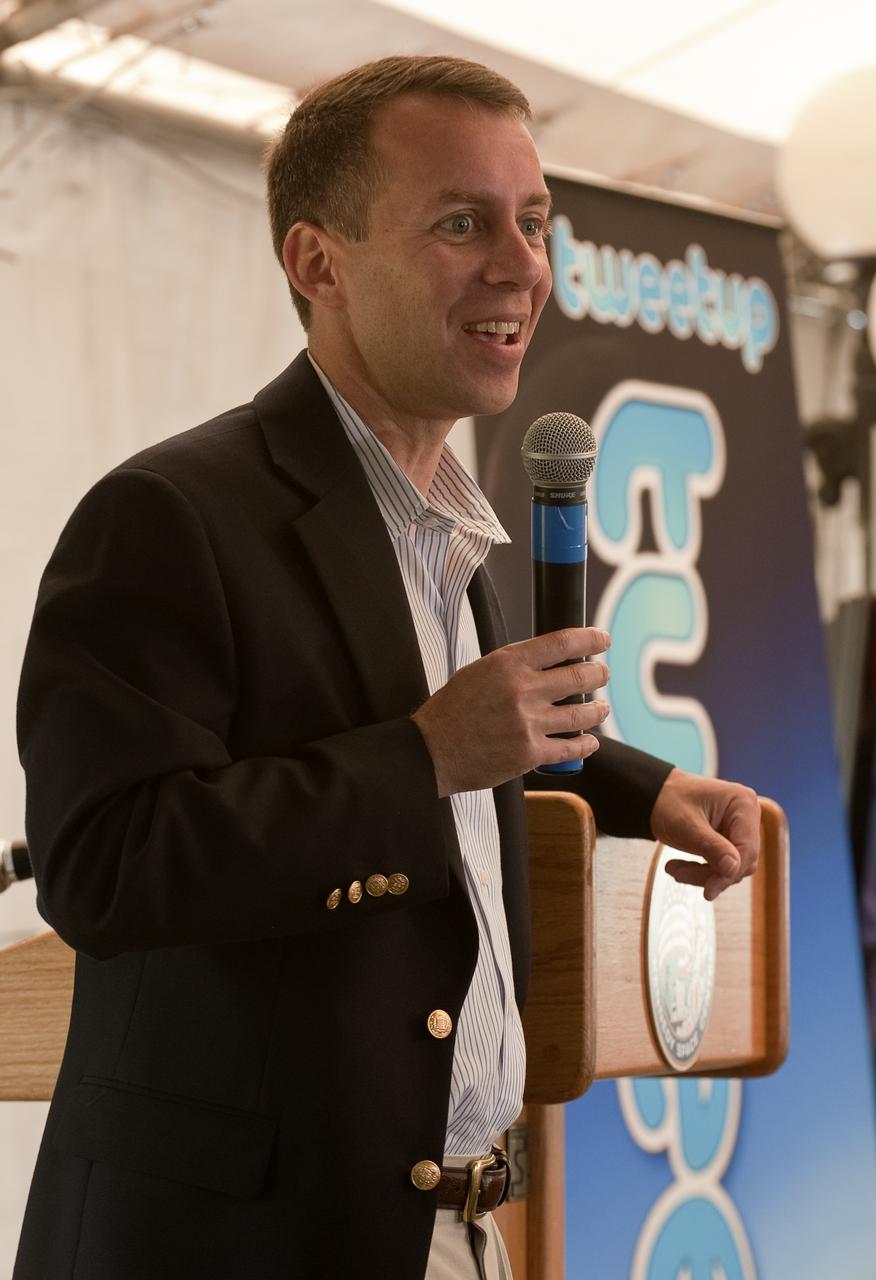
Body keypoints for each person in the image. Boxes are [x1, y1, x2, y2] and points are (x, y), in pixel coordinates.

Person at [13, 55, 759, 1280]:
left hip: (464, 1227)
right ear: (320, 264)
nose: (522, 265)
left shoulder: (444, 521)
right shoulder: (167, 512)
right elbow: (106, 868)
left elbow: (396, 713)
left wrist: (634, 787)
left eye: (534, 222)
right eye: (462, 222)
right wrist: (428, 754)